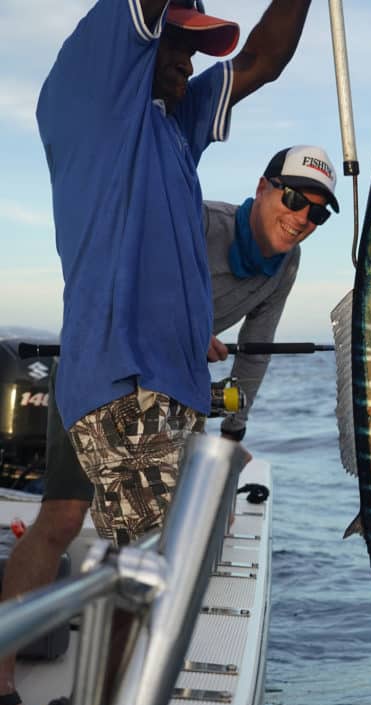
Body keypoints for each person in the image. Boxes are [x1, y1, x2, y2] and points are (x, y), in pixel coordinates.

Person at [0, 145, 339, 705]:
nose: (302, 217)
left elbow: (253, 354)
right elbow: (107, 281)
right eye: (293, 198)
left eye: (318, 213)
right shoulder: (192, 221)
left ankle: (109, 698)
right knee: (60, 521)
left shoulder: (286, 263)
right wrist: (180, 322)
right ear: (262, 188)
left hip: (170, 390)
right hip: (97, 368)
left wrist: (231, 441)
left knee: (159, 541)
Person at [35, 0, 312, 553]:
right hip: (126, 381)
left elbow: (265, 57)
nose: (190, 61)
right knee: (151, 570)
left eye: (197, 48)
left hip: (172, 388)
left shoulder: (176, 123)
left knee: (158, 571)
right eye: (179, 43)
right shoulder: (99, 91)